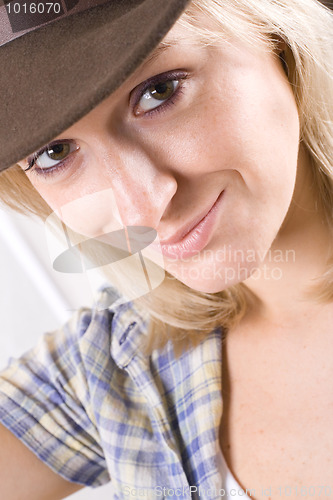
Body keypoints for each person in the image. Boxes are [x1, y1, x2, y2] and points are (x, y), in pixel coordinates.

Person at [0, 0, 332, 498]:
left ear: (274, 33)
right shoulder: (114, 365)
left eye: (159, 92)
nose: (140, 210)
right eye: (55, 153)